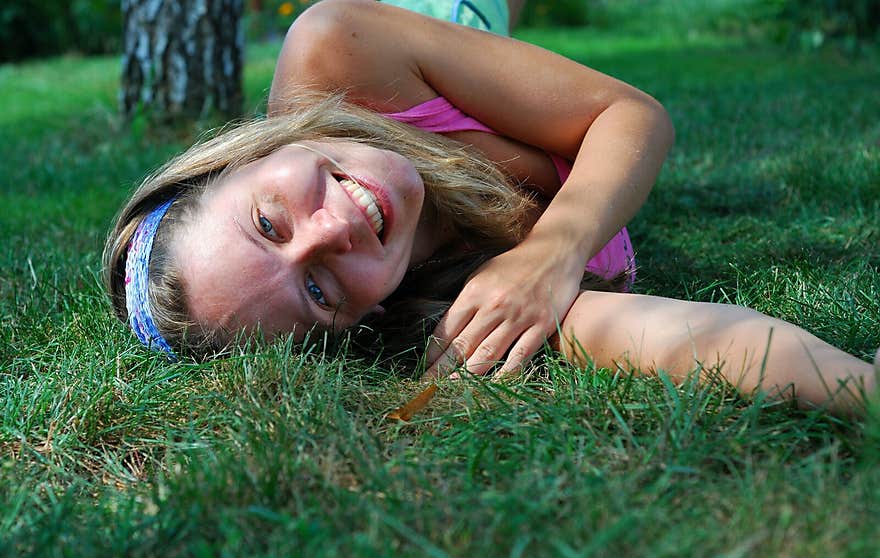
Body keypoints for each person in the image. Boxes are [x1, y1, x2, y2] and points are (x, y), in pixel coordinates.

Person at [102, 0, 878, 417]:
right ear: (356, 326)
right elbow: (673, 339)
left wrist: (555, 250)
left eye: (268, 222)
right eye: (318, 289)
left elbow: (631, 115)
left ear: (242, 155)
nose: (336, 228)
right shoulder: (452, 308)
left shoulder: (337, 51)